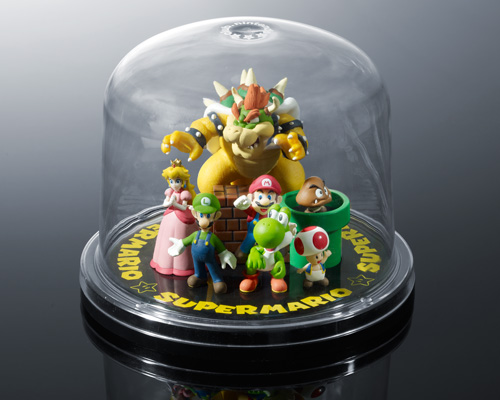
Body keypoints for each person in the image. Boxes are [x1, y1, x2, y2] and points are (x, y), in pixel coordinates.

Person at [168, 193, 237, 294]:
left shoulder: (212, 237)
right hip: (196, 258)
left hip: (209, 259)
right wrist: (180, 244)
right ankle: (200, 276)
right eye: (201, 215)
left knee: (213, 268)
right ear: (195, 214)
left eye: (208, 216)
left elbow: (221, 248)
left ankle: (217, 280)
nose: (204, 221)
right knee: (197, 268)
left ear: (216, 216)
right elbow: (185, 241)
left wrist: (225, 254)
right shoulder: (195, 234)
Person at [150, 159, 197, 276]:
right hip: (169, 216)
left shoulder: (185, 194)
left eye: (177, 181)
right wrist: (169, 203)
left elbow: (184, 207)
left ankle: (184, 265)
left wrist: (175, 203)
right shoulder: (169, 192)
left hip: (182, 218)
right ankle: (164, 263)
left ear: (183, 182)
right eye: (171, 181)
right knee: (166, 238)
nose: (174, 184)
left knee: (182, 234)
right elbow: (164, 204)